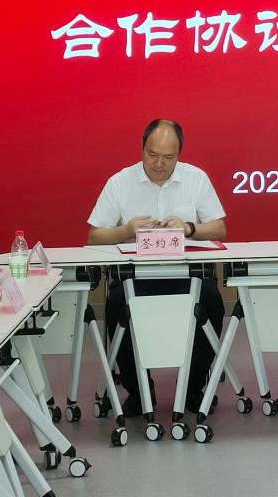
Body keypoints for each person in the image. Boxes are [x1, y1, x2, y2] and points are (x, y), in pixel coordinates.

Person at [88, 119, 226, 416]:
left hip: (187, 276)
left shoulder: (196, 178)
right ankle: (138, 391)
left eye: (168, 157)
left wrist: (189, 228)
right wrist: (126, 230)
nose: (159, 164)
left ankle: (192, 388)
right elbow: (94, 236)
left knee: (212, 302)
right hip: (135, 278)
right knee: (116, 304)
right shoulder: (120, 182)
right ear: (142, 148)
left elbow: (219, 229)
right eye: (152, 155)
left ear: (179, 154)